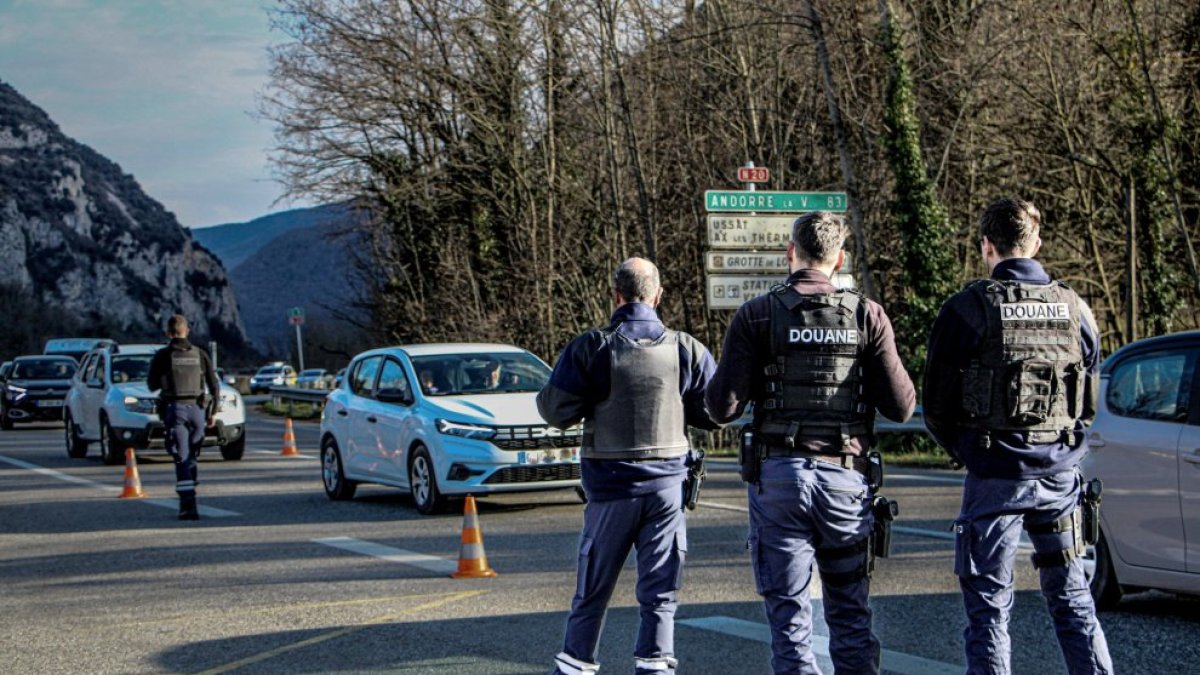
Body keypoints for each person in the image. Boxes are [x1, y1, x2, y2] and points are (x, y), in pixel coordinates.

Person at [705, 211, 915, 674]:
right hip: (845, 480)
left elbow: (721, 408)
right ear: (839, 259)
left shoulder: (757, 314)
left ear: (790, 254)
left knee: (791, 622)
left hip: (779, 480)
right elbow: (901, 406)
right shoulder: (867, 314)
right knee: (850, 616)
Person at [924, 197, 1112, 674]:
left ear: (987, 246)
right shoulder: (1076, 307)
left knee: (988, 609)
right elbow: (1087, 393)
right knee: (1074, 602)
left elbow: (937, 405)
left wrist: (967, 451)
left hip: (995, 475)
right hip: (1060, 479)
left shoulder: (967, 309)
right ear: (1037, 242)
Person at [538, 257, 718, 675]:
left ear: (615, 295)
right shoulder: (687, 348)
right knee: (660, 592)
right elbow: (715, 411)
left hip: (610, 488)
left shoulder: (592, 346)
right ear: (658, 295)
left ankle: (577, 663)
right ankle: (655, 664)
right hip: (667, 490)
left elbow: (555, 410)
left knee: (593, 591)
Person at [147, 314, 221, 521]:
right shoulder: (200, 354)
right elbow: (214, 385)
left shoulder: (163, 355)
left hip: (175, 409)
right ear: (187, 330)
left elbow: (151, 384)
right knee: (192, 457)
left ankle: (188, 505)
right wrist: (213, 412)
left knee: (181, 456)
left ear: (168, 333)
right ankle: (191, 492)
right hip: (198, 410)